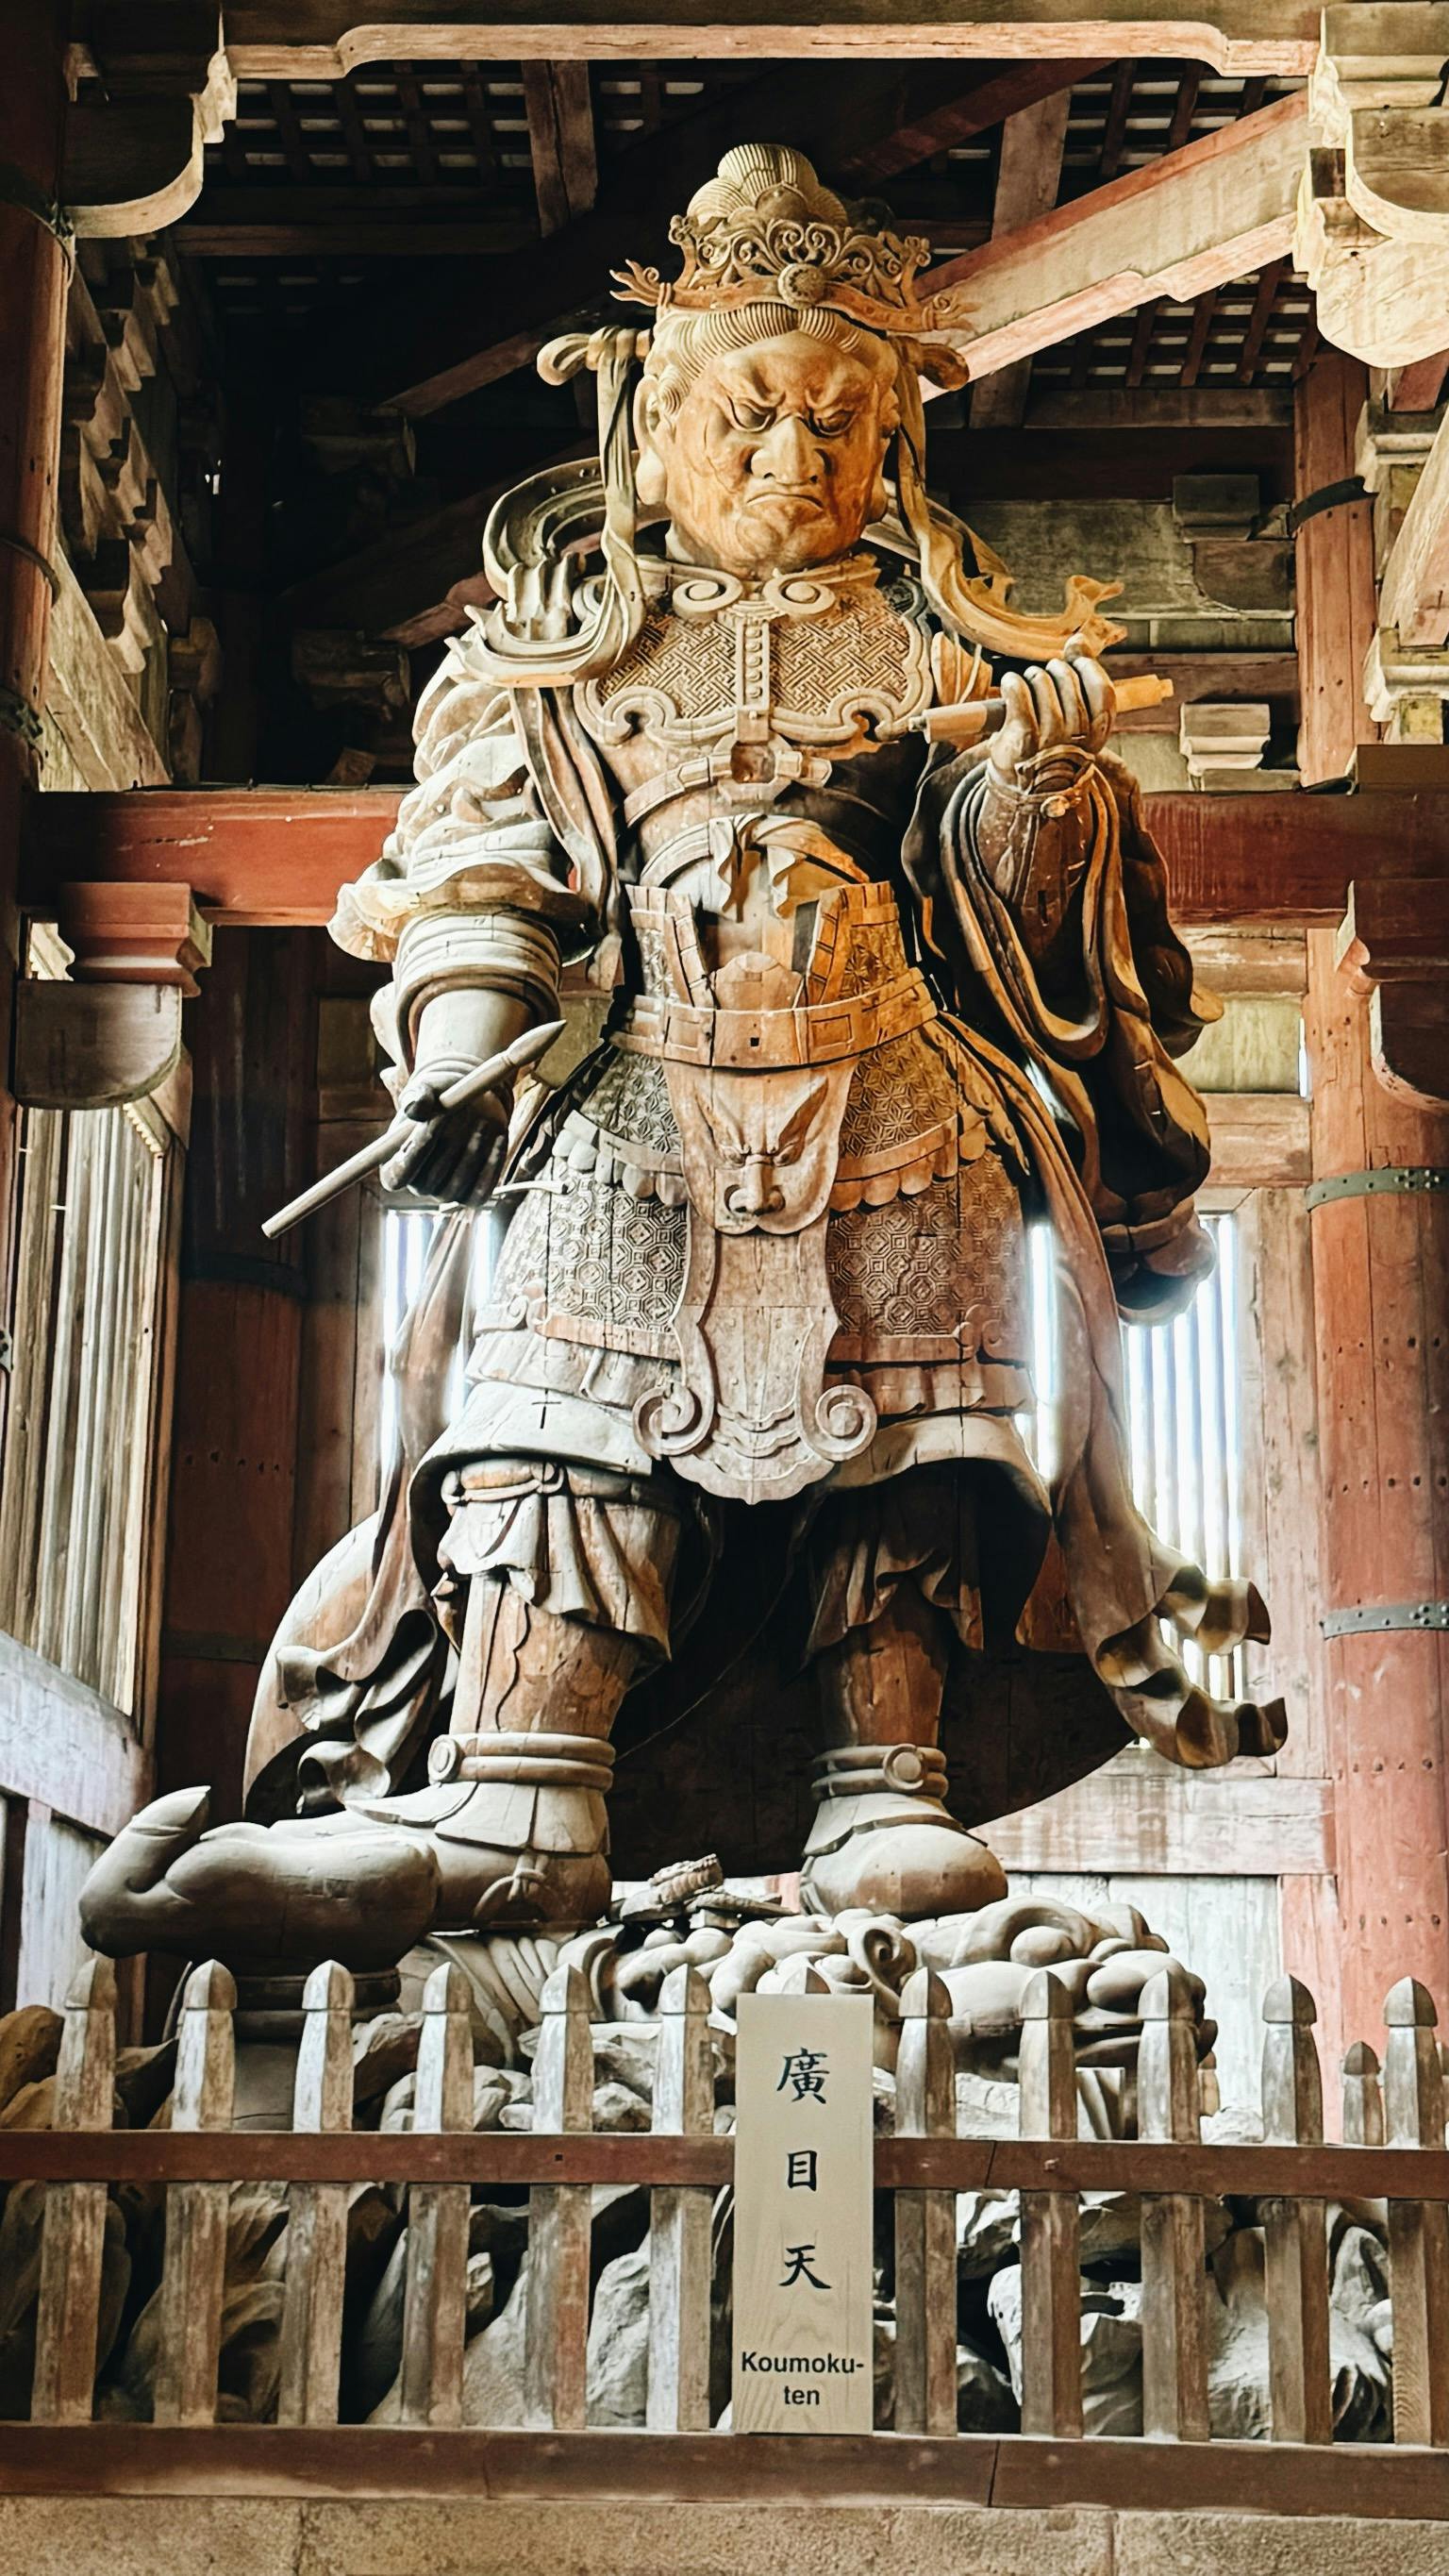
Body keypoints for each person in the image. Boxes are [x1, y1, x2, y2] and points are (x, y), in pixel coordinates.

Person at [83, 146, 1283, 1971]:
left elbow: (1036, 937)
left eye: (834, 421)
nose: (793, 458)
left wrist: (1038, 788)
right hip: (629, 1103)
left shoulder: (949, 642)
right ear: (652, 432)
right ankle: (514, 1786)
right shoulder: (555, 661)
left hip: (892, 1102)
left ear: (895, 448)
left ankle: (888, 1775)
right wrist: (474, 1015)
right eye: (749, 414)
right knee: (556, 1428)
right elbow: (481, 860)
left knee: (906, 1437)